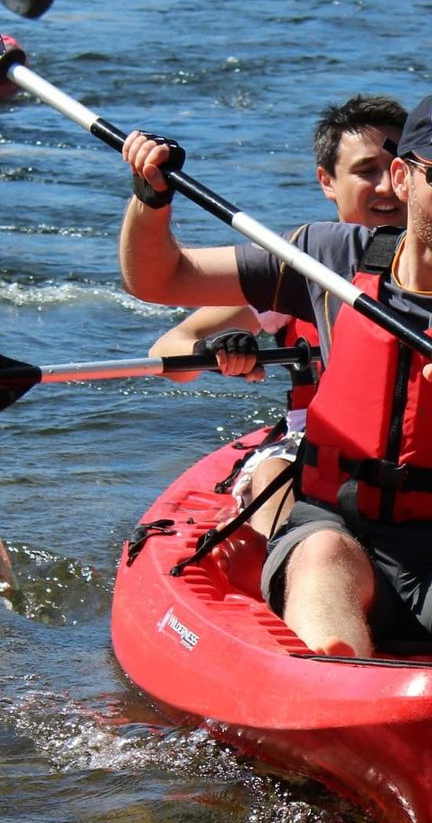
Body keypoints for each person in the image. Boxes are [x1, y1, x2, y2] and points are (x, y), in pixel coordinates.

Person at [118, 90, 432, 666]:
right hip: (343, 531)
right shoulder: (325, 258)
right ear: (402, 177)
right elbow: (160, 277)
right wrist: (151, 198)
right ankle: (338, 701)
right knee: (319, 557)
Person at [149, 93, 409, 540]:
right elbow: (168, 352)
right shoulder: (298, 270)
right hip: (310, 451)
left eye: (400, 170)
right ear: (327, 182)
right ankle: (297, 561)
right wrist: (214, 353)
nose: (386, 186)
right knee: (272, 475)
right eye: (367, 171)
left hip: (412, 457)